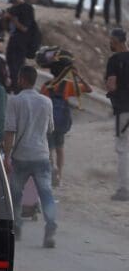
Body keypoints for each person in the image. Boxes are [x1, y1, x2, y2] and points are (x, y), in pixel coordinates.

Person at [3, 66, 58, 247]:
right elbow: (50, 130)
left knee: (16, 193)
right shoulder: (46, 102)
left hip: (21, 157)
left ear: (21, 79)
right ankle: (50, 228)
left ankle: (17, 226)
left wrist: (7, 157)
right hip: (41, 155)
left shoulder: (14, 101)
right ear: (35, 81)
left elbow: (10, 131)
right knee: (46, 193)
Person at [40, 51, 89, 187]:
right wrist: (77, 75)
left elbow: (41, 104)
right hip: (61, 123)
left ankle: (51, 171)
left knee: (49, 150)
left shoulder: (46, 86)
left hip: (49, 123)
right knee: (60, 149)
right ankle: (60, 176)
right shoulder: (67, 86)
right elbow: (89, 89)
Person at [105, 28, 129, 201]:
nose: (110, 43)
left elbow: (112, 85)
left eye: (111, 40)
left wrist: (108, 85)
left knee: (123, 149)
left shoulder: (114, 60)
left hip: (124, 110)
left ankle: (124, 190)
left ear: (118, 41)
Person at [5, 0, 38, 87]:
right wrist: (4, 18)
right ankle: (13, 87)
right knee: (10, 64)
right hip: (13, 42)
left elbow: (24, 28)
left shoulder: (27, 8)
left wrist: (12, 18)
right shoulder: (12, 9)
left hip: (21, 44)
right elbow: (8, 29)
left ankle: (18, 88)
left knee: (18, 69)